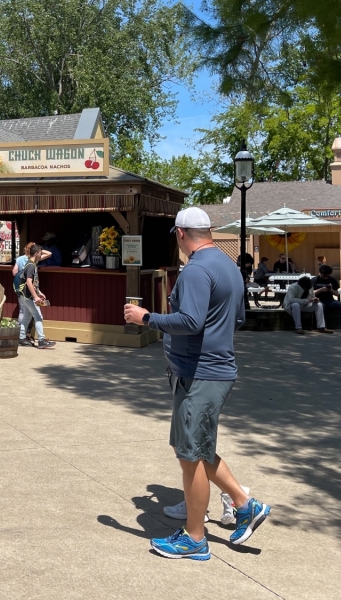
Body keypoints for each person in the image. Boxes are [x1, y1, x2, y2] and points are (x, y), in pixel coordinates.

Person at [124, 206, 269, 561]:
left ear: (181, 234)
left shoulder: (196, 271)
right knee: (195, 447)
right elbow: (236, 317)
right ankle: (242, 504)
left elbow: (189, 320)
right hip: (213, 370)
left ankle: (195, 538)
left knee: (191, 456)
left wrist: (148, 317)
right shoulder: (227, 266)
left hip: (201, 373)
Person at [17, 243, 54, 349]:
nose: (41, 255)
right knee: (38, 317)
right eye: (40, 253)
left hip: (24, 295)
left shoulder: (31, 264)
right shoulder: (31, 266)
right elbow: (29, 282)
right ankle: (41, 340)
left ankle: (22, 338)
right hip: (28, 296)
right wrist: (35, 296)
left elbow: (32, 283)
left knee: (27, 317)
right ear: (37, 253)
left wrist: (39, 292)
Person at [313, 265, 341, 334]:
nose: (326, 277)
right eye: (324, 276)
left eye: (327, 276)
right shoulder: (315, 280)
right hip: (318, 300)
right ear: (320, 273)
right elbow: (311, 293)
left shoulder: (332, 280)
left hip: (330, 300)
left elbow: (337, 294)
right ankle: (323, 327)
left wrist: (331, 290)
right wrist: (321, 290)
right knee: (321, 306)